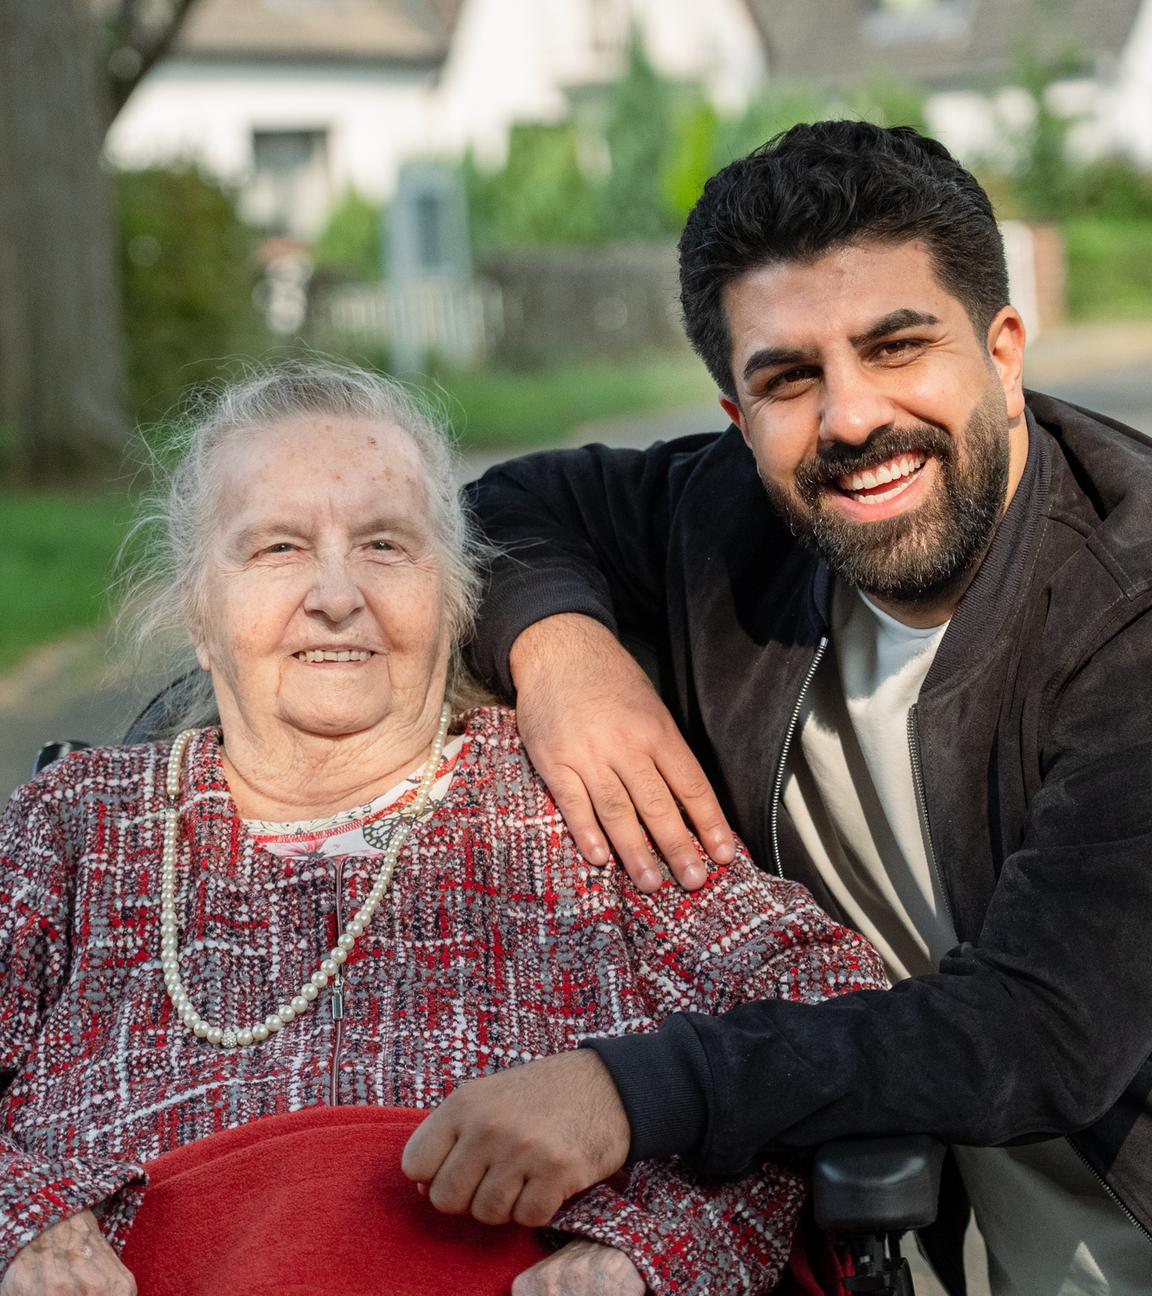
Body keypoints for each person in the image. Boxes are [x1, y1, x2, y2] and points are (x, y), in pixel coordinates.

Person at [402, 123, 1152, 1293]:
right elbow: (503, 507)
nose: (850, 419)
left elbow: (1042, 1030)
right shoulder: (732, 516)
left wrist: (631, 1088)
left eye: (897, 346)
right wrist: (563, 658)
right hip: (916, 1234)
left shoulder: (1131, 605)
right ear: (735, 412)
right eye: (789, 379)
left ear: (1003, 349)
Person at [0, 362, 886, 1295]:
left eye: (385, 545)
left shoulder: (563, 793)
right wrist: (20, 1218)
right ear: (199, 613)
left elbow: (825, 1006)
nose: (336, 595)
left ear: (457, 597)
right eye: (276, 550)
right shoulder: (80, 824)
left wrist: (655, 1248)